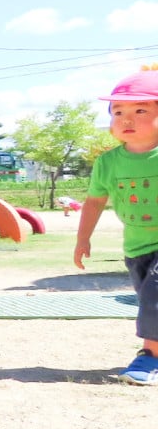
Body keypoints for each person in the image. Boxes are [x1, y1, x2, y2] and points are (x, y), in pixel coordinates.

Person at [75, 69, 158, 386]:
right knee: (148, 299)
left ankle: (149, 356)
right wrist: (83, 239)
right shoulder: (108, 163)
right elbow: (94, 202)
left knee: (154, 298)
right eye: (118, 111)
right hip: (137, 247)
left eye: (141, 110)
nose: (127, 118)